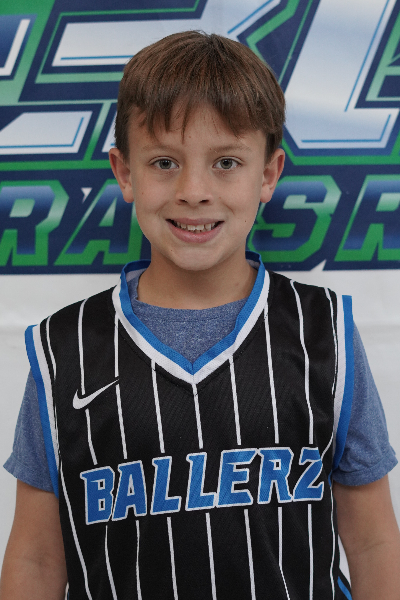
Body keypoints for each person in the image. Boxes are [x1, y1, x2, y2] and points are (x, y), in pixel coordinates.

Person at [1, 30, 399, 600]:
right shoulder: (66, 349)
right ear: (125, 172)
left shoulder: (323, 332)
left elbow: (373, 542)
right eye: (164, 162)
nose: (194, 190)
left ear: (268, 174)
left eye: (226, 162)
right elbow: (37, 559)